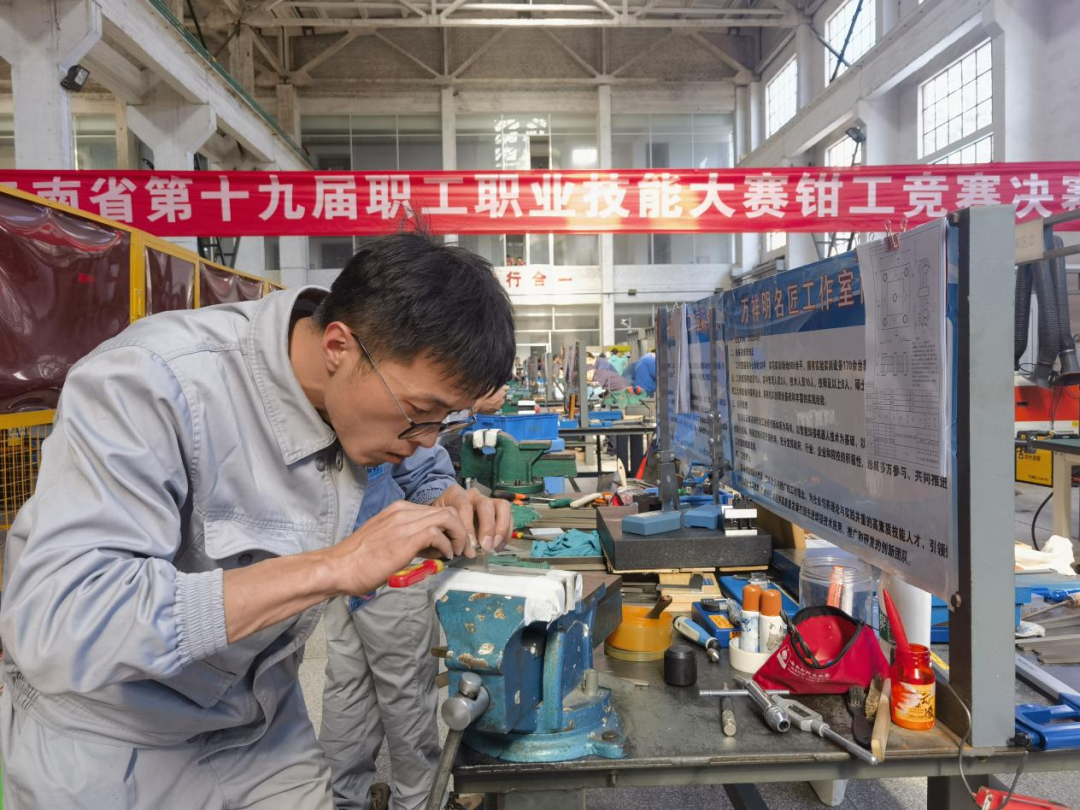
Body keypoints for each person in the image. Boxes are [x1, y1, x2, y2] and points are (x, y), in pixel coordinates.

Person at [0, 232, 516, 809]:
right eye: (420, 413)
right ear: (339, 347)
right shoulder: (152, 382)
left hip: (261, 718)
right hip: (114, 736)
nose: (425, 438)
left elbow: (420, 456)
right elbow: (63, 621)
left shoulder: (369, 389)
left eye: (445, 420)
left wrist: (446, 495)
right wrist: (330, 568)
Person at [319, 384, 507, 810]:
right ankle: (418, 801)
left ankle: (342, 799)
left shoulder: (382, 395)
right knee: (405, 693)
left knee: (349, 686)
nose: (428, 435)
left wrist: (448, 495)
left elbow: (420, 472)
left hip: (342, 561)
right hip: (383, 566)